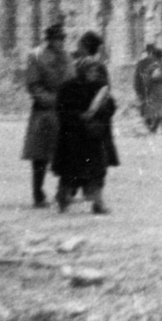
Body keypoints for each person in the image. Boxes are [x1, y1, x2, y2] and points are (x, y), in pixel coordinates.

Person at [52, 31, 119, 213]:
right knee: (71, 170)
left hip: (93, 132)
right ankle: (63, 197)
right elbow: (62, 109)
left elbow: (109, 103)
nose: (93, 73)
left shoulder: (99, 82)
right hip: (75, 134)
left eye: (95, 71)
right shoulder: (70, 86)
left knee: (97, 170)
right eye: (89, 71)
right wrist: (79, 117)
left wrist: (101, 112)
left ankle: (97, 202)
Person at [21, 23, 73, 207]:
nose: (60, 43)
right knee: (40, 155)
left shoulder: (67, 57)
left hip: (64, 111)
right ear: (49, 40)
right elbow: (33, 85)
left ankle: (63, 192)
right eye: (57, 39)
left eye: (62, 39)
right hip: (44, 111)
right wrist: (50, 100)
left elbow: (72, 80)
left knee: (66, 153)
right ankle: (38, 193)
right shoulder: (36, 56)